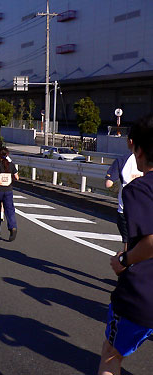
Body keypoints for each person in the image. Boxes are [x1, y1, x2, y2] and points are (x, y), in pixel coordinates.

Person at [98, 117, 153, 375]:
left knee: (111, 356)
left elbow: (151, 241)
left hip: (142, 292)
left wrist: (123, 261)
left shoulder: (138, 190)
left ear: (136, 148)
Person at [105, 136, 142, 252]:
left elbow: (108, 184)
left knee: (128, 243)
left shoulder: (122, 160)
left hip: (126, 210)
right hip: (146, 208)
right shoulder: (148, 160)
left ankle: (127, 265)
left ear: (130, 141)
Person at [0, 147, 19, 241]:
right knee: (9, 209)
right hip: (8, 190)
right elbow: (17, 177)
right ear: (7, 155)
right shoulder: (11, 165)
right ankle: (12, 227)